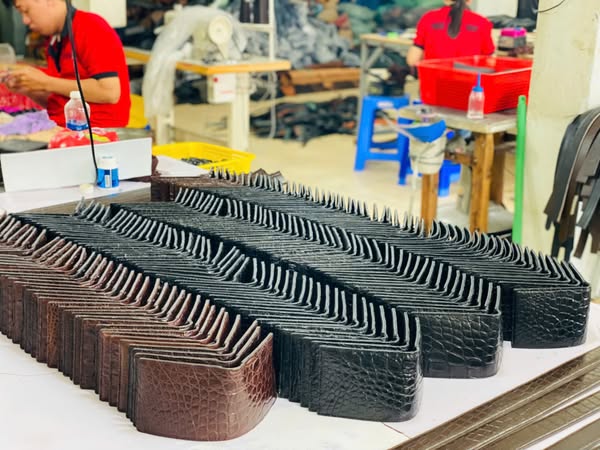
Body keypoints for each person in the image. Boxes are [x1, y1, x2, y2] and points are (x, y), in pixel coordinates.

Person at [5, 0, 130, 127]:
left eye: (26, 11)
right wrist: (29, 89)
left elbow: (109, 92)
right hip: (64, 125)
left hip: (97, 131)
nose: (25, 21)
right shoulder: (54, 40)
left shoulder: (90, 26)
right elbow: (59, 102)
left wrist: (45, 82)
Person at [406, 0, 495, 68]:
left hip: (433, 83)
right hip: (469, 84)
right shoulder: (482, 23)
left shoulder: (428, 18)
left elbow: (412, 60)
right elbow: (490, 62)